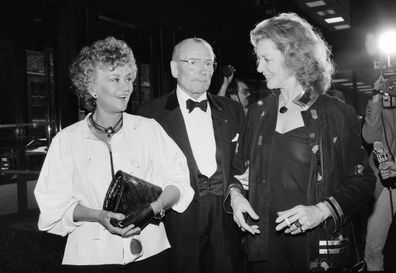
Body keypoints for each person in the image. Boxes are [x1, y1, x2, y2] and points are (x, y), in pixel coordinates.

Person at [227, 13, 375, 272]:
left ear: (294, 57)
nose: (259, 68)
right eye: (258, 58)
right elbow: (237, 169)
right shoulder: (257, 113)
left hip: (318, 248)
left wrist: (321, 210)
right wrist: (236, 196)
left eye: (267, 59)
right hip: (265, 249)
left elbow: (362, 180)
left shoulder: (336, 114)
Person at [34, 36, 194, 273]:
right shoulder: (66, 141)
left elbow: (179, 180)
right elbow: (54, 204)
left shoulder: (148, 129)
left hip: (151, 254)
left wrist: (154, 206)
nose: (126, 87)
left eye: (129, 78)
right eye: (115, 79)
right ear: (90, 87)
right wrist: (97, 216)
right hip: (90, 259)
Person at [138, 37, 246, 273]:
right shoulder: (148, 115)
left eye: (209, 63)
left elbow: (241, 164)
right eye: (194, 62)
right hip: (176, 221)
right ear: (174, 68)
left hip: (226, 218)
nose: (203, 70)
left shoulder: (233, 110)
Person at [363, 76, 396, 271]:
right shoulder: (378, 102)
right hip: (386, 183)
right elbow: (369, 136)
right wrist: (376, 96)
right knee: (373, 248)